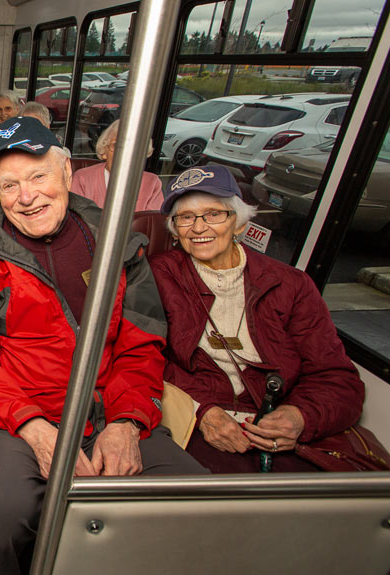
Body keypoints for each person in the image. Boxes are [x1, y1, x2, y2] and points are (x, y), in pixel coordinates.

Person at [0, 117, 207, 574]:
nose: (27, 197)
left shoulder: (118, 242)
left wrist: (125, 422)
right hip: (21, 412)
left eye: (38, 176)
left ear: (67, 173)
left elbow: (142, 346)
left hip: (110, 401)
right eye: (9, 186)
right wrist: (32, 427)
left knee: (194, 498)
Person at [149, 165, 365, 473]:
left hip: (272, 419)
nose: (198, 228)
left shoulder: (291, 285)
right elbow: (144, 358)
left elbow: (338, 379)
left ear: (238, 223)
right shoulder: (158, 275)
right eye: (185, 218)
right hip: (197, 417)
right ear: (174, 228)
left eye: (213, 214)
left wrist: (300, 416)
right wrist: (202, 411)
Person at [72, 119, 163, 211]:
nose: (125, 152)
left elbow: (152, 222)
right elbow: (77, 221)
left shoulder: (152, 183)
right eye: (116, 145)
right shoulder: (82, 178)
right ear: (103, 151)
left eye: (135, 147)